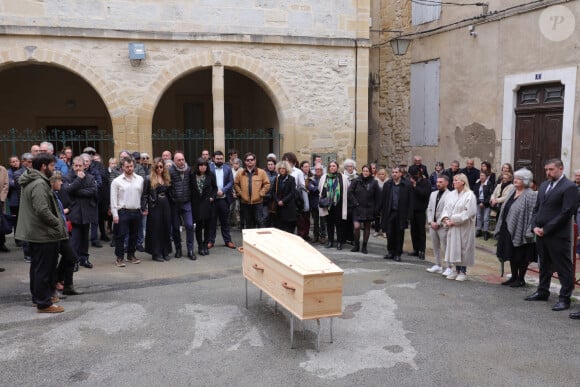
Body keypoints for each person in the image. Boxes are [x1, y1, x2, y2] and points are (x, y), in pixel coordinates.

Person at [16, 153, 69, 313]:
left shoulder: (33, 180)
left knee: (38, 268)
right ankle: (44, 303)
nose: (54, 169)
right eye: (52, 166)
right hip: (43, 233)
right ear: (44, 166)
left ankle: (39, 297)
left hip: (37, 232)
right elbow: (42, 210)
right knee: (44, 269)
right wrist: (58, 223)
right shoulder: (39, 183)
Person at [525, 159, 577, 314]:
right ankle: (543, 291)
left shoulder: (570, 187)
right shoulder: (544, 185)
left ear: (561, 168)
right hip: (540, 233)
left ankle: (564, 298)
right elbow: (537, 209)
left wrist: (546, 229)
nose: (548, 172)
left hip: (558, 235)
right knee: (544, 265)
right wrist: (534, 226)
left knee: (563, 268)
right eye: (546, 169)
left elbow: (566, 212)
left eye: (551, 169)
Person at [494, 168, 537, 287]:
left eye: (519, 179)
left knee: (521, 255)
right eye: (515, 178)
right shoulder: (513, 190)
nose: (515, 180)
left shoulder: (530, 194)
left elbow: (532, 213)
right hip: (507, 227)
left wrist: (529, 230)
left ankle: (521, 279)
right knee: (511, 253)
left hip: (522, 230)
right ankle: (513, 277)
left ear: (526, 181)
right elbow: (505, 207)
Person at [62, 156, 99, 269]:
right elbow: (67, 190)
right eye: (76, 165)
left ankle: (84, 258)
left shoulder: (90, 177)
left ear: (84, 166)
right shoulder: (67, 177)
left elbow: (93, 191)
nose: (78, 168)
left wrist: (76, 191)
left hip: (87, 211)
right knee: (75, 239)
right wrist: (78, 180)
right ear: (72, 166)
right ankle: (74, 261)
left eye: (80, 166)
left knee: (84, 238)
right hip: (74, 211)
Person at [440, 173, 477, 281]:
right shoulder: (451, 194)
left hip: (463, 227)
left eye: (456, 180)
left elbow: (469, 212)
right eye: (454, 180)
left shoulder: (470, 195)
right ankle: (455, 269)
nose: (454, 182)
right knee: (453, 248)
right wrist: (446, 219)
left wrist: (454, 220)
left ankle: (463, 271)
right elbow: (445, 209)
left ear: (463, 182)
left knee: (463, 248)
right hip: (452, 227)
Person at [110, 157, 143, 267]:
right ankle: (119, 258)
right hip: (123, 211)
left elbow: (143, 195)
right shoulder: (117, 181)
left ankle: (131, 255)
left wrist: (143, 208)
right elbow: (113, 199)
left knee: (134, 235)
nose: (129, 168)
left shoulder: (140, 179)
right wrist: (115, 214)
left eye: (131, 166)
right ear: (122, 167)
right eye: (127, 167)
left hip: (136, 210)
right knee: (121, 235)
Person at [142, 157, 173, 262]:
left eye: (161, 166)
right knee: (156, 229)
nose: (159, 168)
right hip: (155, 205)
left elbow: (170, 192)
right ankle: (156, 253)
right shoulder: (148, 178)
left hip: (166, 204)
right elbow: (145, 195)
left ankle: (165, 251)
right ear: (154, 167)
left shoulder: (166, 177)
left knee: (166, 227)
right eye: (157, 167)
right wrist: (144, 207)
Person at [379, 166, 411, 262]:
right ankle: (390, 252)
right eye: (393, 172)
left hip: (401, 213)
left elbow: (410, 201)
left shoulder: (407, 185)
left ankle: (398, 253)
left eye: (396, 172)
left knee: (399, 234)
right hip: (390, 212)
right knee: (389, 233)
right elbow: (383, 199)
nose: (394, 174)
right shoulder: (388, 184)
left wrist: (409, 215)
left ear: (400, 173)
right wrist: (380, 211)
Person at [347, 165, 380, 254]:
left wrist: (376, 209)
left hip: (368, 208)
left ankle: (364, 246)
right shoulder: (356, 181)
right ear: (362, 171)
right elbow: (350, 192)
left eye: (367, 171)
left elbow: (378, 197)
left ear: (370, 172)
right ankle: (356, 245)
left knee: (367, 227)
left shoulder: (374, 182)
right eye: (364, 171)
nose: (365, 173)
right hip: (357, 208)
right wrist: (355, 203)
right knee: (357, 227)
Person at [169, 152, 195, 258]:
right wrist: (172, 198)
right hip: (174, 204)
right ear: (174, 161)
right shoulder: (170, 171)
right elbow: (168, 187)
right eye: (178, 160)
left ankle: (190, 250)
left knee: (189, 225)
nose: (181, 162)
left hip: (186, 203)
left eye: (182, 159)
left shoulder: (189, 170)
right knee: (175, 228)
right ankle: (178, 249)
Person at [234, 152, 270, 229]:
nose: (250, 161)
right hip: (245, 202)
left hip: (258, 202)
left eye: (252, 159)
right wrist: (240, 193)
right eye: (247, 160)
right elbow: (236, 184)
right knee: (249, 223)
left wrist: (261, 193)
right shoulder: (240, 173)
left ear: (255, 161)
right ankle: (250, 240)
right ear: (245, 162)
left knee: (259, 221)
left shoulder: (261, 172)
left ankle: (260, 240)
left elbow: (267, 184)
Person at [319, 160, 349, 250]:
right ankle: (330, 241)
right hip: (328, 204)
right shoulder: (324, 177)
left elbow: (347, 189)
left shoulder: (343, 177)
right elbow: (320, 189)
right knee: (329, 223)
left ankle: (339, 242)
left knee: (339, 224)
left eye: (334, 166)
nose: (332, 167)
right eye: (330, 166)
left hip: (339, 204)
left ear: (337, 167)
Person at [209, 151, 236, 249]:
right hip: (213, 200)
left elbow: (231, 182)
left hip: (224, 199)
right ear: (213, 159)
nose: (219, 160)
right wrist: (214, 192)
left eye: (221, 158)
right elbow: (207, 182)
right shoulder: (209, 168)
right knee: (212, 222)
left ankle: (228, 241)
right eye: (217, 158)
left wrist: (223, 190)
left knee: (225, 221)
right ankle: (210, 241)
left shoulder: (228, 168)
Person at [426, 175, 453, 275]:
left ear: (446, 183)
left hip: (442, 226)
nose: (438, 184)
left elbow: (448, 211)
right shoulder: (433, 194)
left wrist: (438, 223)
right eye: (437, 182)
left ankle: (449, 267)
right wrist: (430, 222)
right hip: (432, 225)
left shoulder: (450, 195)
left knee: (446, 247)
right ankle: (438, 265)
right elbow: (429, 208)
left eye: (441, 182)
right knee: (435, 246)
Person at [192, 158, 217, 256]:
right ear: (198, 166)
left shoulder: (210, 175)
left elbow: (215, 188)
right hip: (197, 204)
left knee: (207, 226)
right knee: (198, 226)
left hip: (207, 204)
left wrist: (212, 197)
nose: (203, 167)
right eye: (201, 165)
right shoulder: (192, 176)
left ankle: (205, 245)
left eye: (205, 165)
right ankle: (200, 246)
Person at [409, 168, 431, 259]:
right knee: (413, 231)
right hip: (412, 210)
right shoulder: (410, 182)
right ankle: (415, 249)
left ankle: (422, 250)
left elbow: (424, 194)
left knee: (421, 231)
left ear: (419, 174)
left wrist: (415, 186)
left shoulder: (426, 182)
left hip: (421, 210)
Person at [272, 160, 297, 233]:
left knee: (289, 228)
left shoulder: (291, 179)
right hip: (279, 207)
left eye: (283, 168)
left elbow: (292, 192)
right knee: (280, 228)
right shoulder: (277, 179)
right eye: (280, 168)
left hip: (289, 207)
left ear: (287, 169)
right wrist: (278, 201)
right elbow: (273, 191)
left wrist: (283, 201)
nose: (281, 170)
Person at [473, 171, 494, 240]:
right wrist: (479, 202)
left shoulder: (489, 184)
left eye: (483, 176)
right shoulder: (477, 183)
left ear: (486, 177)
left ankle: (485, 232)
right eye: (480, 175)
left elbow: (490, 194)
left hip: (486, 203)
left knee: (486, 218)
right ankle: (479, 230)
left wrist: (484, 203)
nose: (481, 177)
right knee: (478, 216)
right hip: (479, 202)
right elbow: (475, 193)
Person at [308, 163, 326, 243]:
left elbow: (326, 188)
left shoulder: (325, 178)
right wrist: (319, 187)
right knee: (315, 221)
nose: (318, 171)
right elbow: (311, 188)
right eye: (316, 169)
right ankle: (316, 236)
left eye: (319, 169)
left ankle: (323, 236)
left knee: (323, 221)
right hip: (314, 203)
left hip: (322, 203)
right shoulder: (311, 178)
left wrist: (316, 188)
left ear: (322, 170)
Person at [297, 160, 312, 240]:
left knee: (307, 218)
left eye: (308, 166)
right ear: (301, 167)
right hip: (301, 198)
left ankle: (306, 234)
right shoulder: (300, 175)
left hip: (309, 199)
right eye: (305, 166)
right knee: (301, 218)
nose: (307, 168)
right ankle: (301, 234)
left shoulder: (310, 176)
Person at [262, 158, 278, 228]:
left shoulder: (277, 174)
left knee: (273, 217)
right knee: (265, 216)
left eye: (271, 164)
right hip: (265, 198)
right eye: (268, 164)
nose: (270, 166)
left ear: (274, 165)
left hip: (274, 199)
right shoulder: (263, 173)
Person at [373, 167, 388, 237]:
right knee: (377, 217)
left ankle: (384, 230)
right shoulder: (375, 182)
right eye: (380, 174)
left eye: (383, 174)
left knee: (385, 217)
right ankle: (376, 230)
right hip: (377, 202)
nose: (382, 175)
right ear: (378, 175)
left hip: (385, 202)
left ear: (385, 175)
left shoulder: (388, 182)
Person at [0, 164, 9, 252]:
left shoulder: (2, 170)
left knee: (1, 222)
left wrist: (1, 199)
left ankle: (2, 243)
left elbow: (6, 185)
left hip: (0, 200)